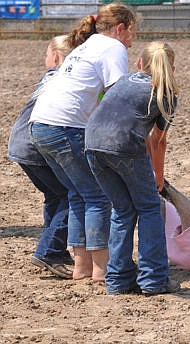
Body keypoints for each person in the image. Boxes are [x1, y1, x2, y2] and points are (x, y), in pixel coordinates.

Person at [29, 3, 137, 282]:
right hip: (65, 127)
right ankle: (101, 270)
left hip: (41, 124)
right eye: (132, 33)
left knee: (79, 195)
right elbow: (118, 96)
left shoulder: (86, 46)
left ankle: (82, 268)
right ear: (121, 28)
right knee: (98, 196)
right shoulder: (113, 48)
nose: (132, 40)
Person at [85, 41, 180, 295]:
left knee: (123, 209)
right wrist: (157, 177)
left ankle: (117, 280)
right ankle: (153, 279)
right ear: (172, 67)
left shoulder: (124, 81)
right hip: (123, 146)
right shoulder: (166, 94)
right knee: (150, 208)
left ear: (139, 63)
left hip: (92, 143)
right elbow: (158, 141)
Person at [8, 35, 74, 279]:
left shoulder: (50, 76)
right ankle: (49, 251)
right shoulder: (65, 77)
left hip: (23, 145)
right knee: (71, 195)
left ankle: (55, 248)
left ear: (56, 56)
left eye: (46, 53)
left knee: (55, 194)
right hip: (35, 147)